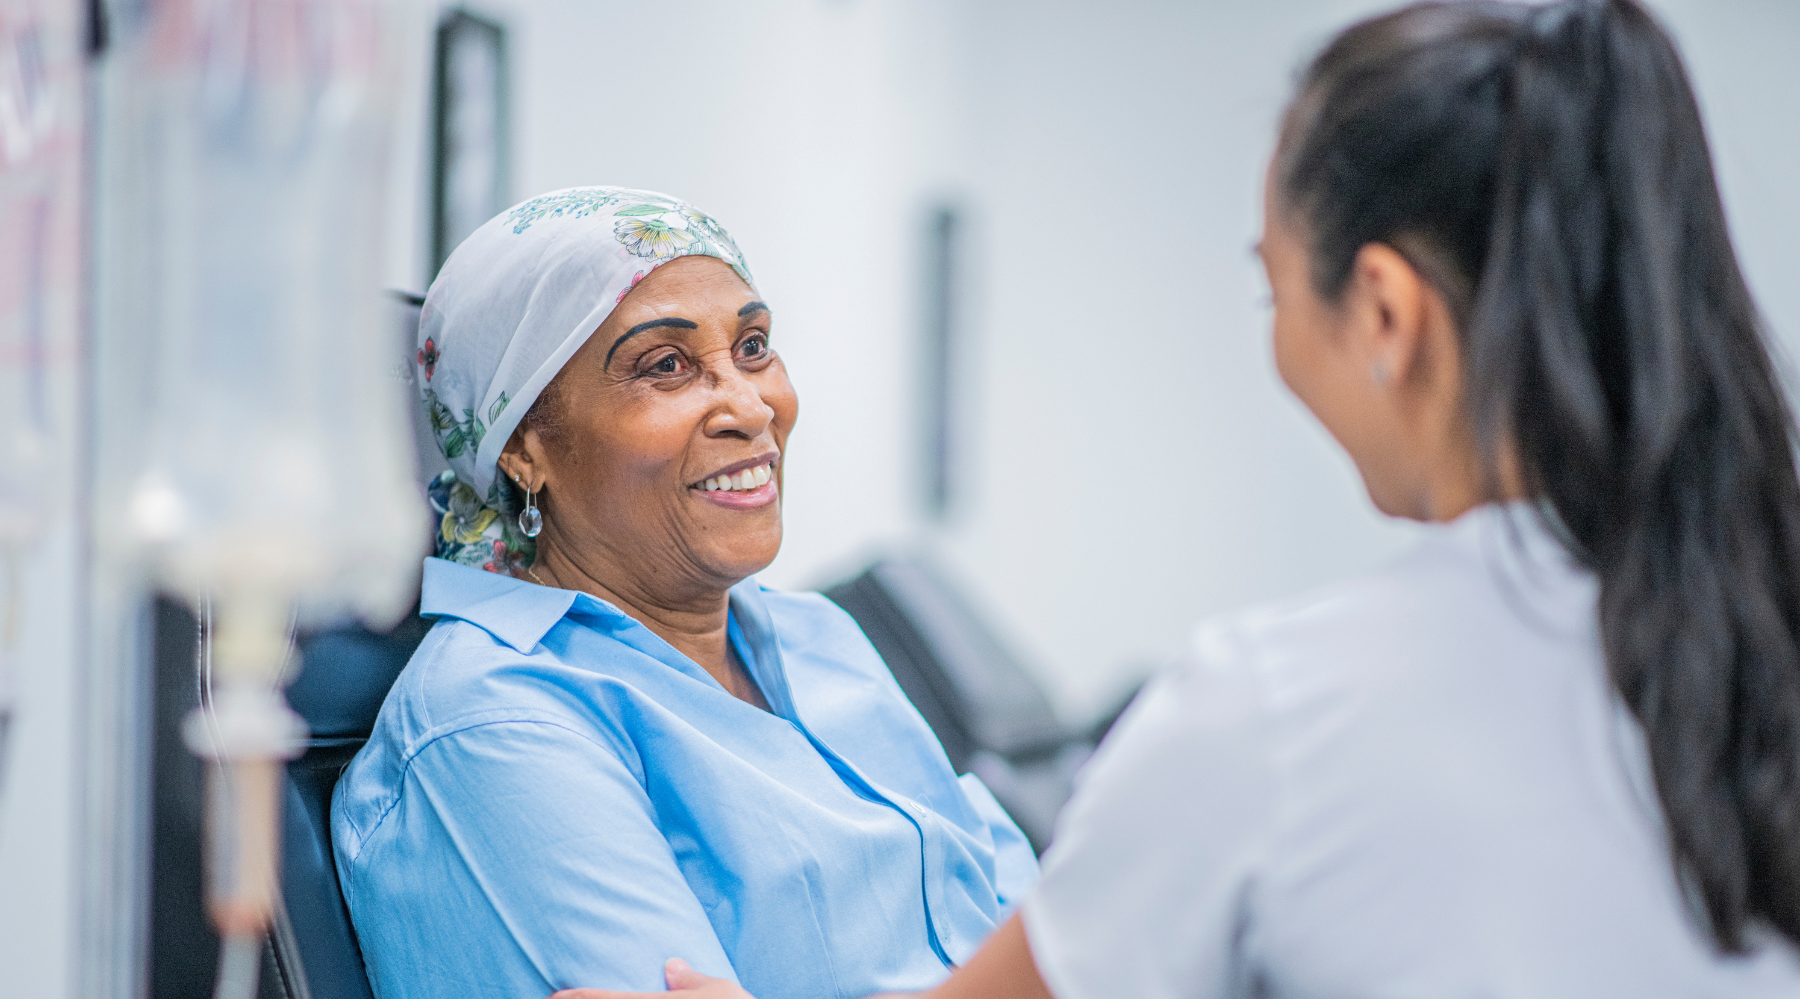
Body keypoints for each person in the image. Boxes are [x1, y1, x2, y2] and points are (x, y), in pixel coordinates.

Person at [555, 3, 1800, 998]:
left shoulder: (1279, 713)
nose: (743, 404)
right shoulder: (1755, 624)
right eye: (669, 366)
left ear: (1384, 312)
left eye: (1274, 290)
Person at [332, 187, 1037, 999]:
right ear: (524, 444)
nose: (750, 406)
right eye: (665, 365)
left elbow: (1055, 944)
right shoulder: (498, 721)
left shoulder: (819, 637)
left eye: (754, 346)